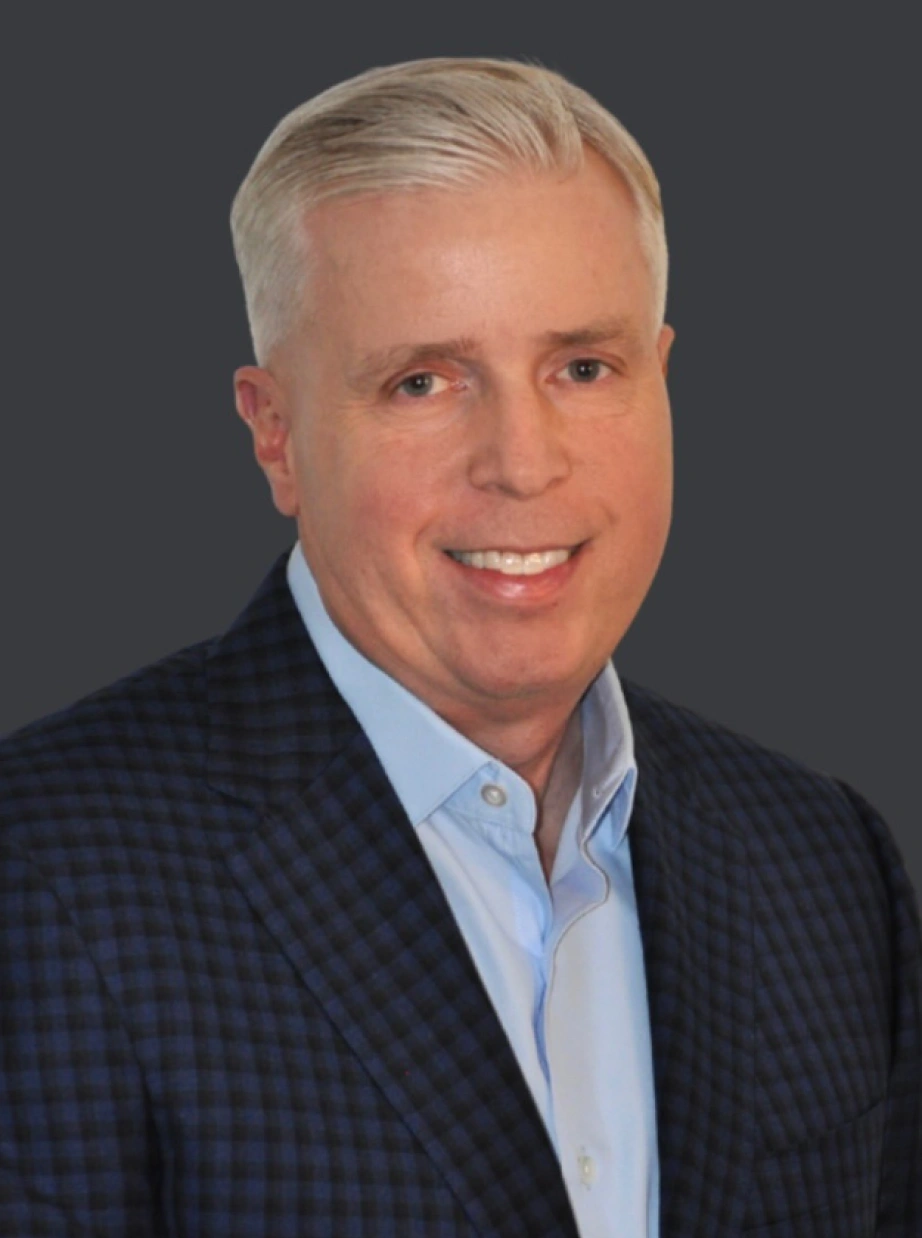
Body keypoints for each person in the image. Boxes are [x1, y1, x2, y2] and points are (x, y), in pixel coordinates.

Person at [0, 56, 918, 1237]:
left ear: (663, 383)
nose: (524, 462)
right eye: (423, 382)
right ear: (275, 435)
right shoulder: (43, 871)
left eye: (583, 368)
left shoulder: (822, 857)